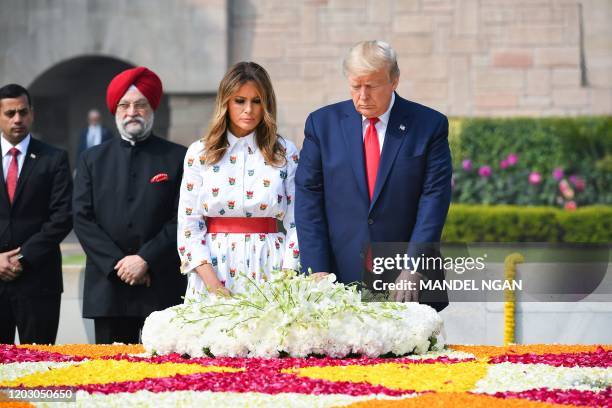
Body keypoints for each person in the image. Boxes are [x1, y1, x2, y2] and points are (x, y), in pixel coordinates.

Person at [295, 41, 451, 311]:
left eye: (372, 86)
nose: (363, 95)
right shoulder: (322, 125)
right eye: (356, 86)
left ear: (394, 81)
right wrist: (316, 268)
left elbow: (433, 202)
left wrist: (414, 267)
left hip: (406, 281)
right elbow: (308, 199)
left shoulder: (429, 126)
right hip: (335, 280)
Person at [73, 67, 187, 344]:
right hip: (108, 288)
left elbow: (182, 217)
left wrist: (145, 259)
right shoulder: (92, 159)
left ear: (152, 109)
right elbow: (82, 219)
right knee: (110, 378)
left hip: (161, 285)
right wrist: (117, 265)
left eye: (140, 105)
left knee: (167, 377)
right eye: (124, 105)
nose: (132, 111)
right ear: (114, 111)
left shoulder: (178, 157)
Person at [178, 61, 299, 300]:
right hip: (213, 270)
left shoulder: (285, 152)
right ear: (226, 102)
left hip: (271, 270)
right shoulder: (200, 153)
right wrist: (215, 286)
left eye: (257, 101)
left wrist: (286, 277)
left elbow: (299, 221)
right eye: (240, 101)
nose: (249, 110)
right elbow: (188, 226)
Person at [0, 84, 73, 344]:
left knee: (40, 363)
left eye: (22, 111)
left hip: (39, 280)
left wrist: (22, 257)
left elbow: (62, 216)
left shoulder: (54, 159)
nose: (17, 119)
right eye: (10, 113)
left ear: (32, 113)